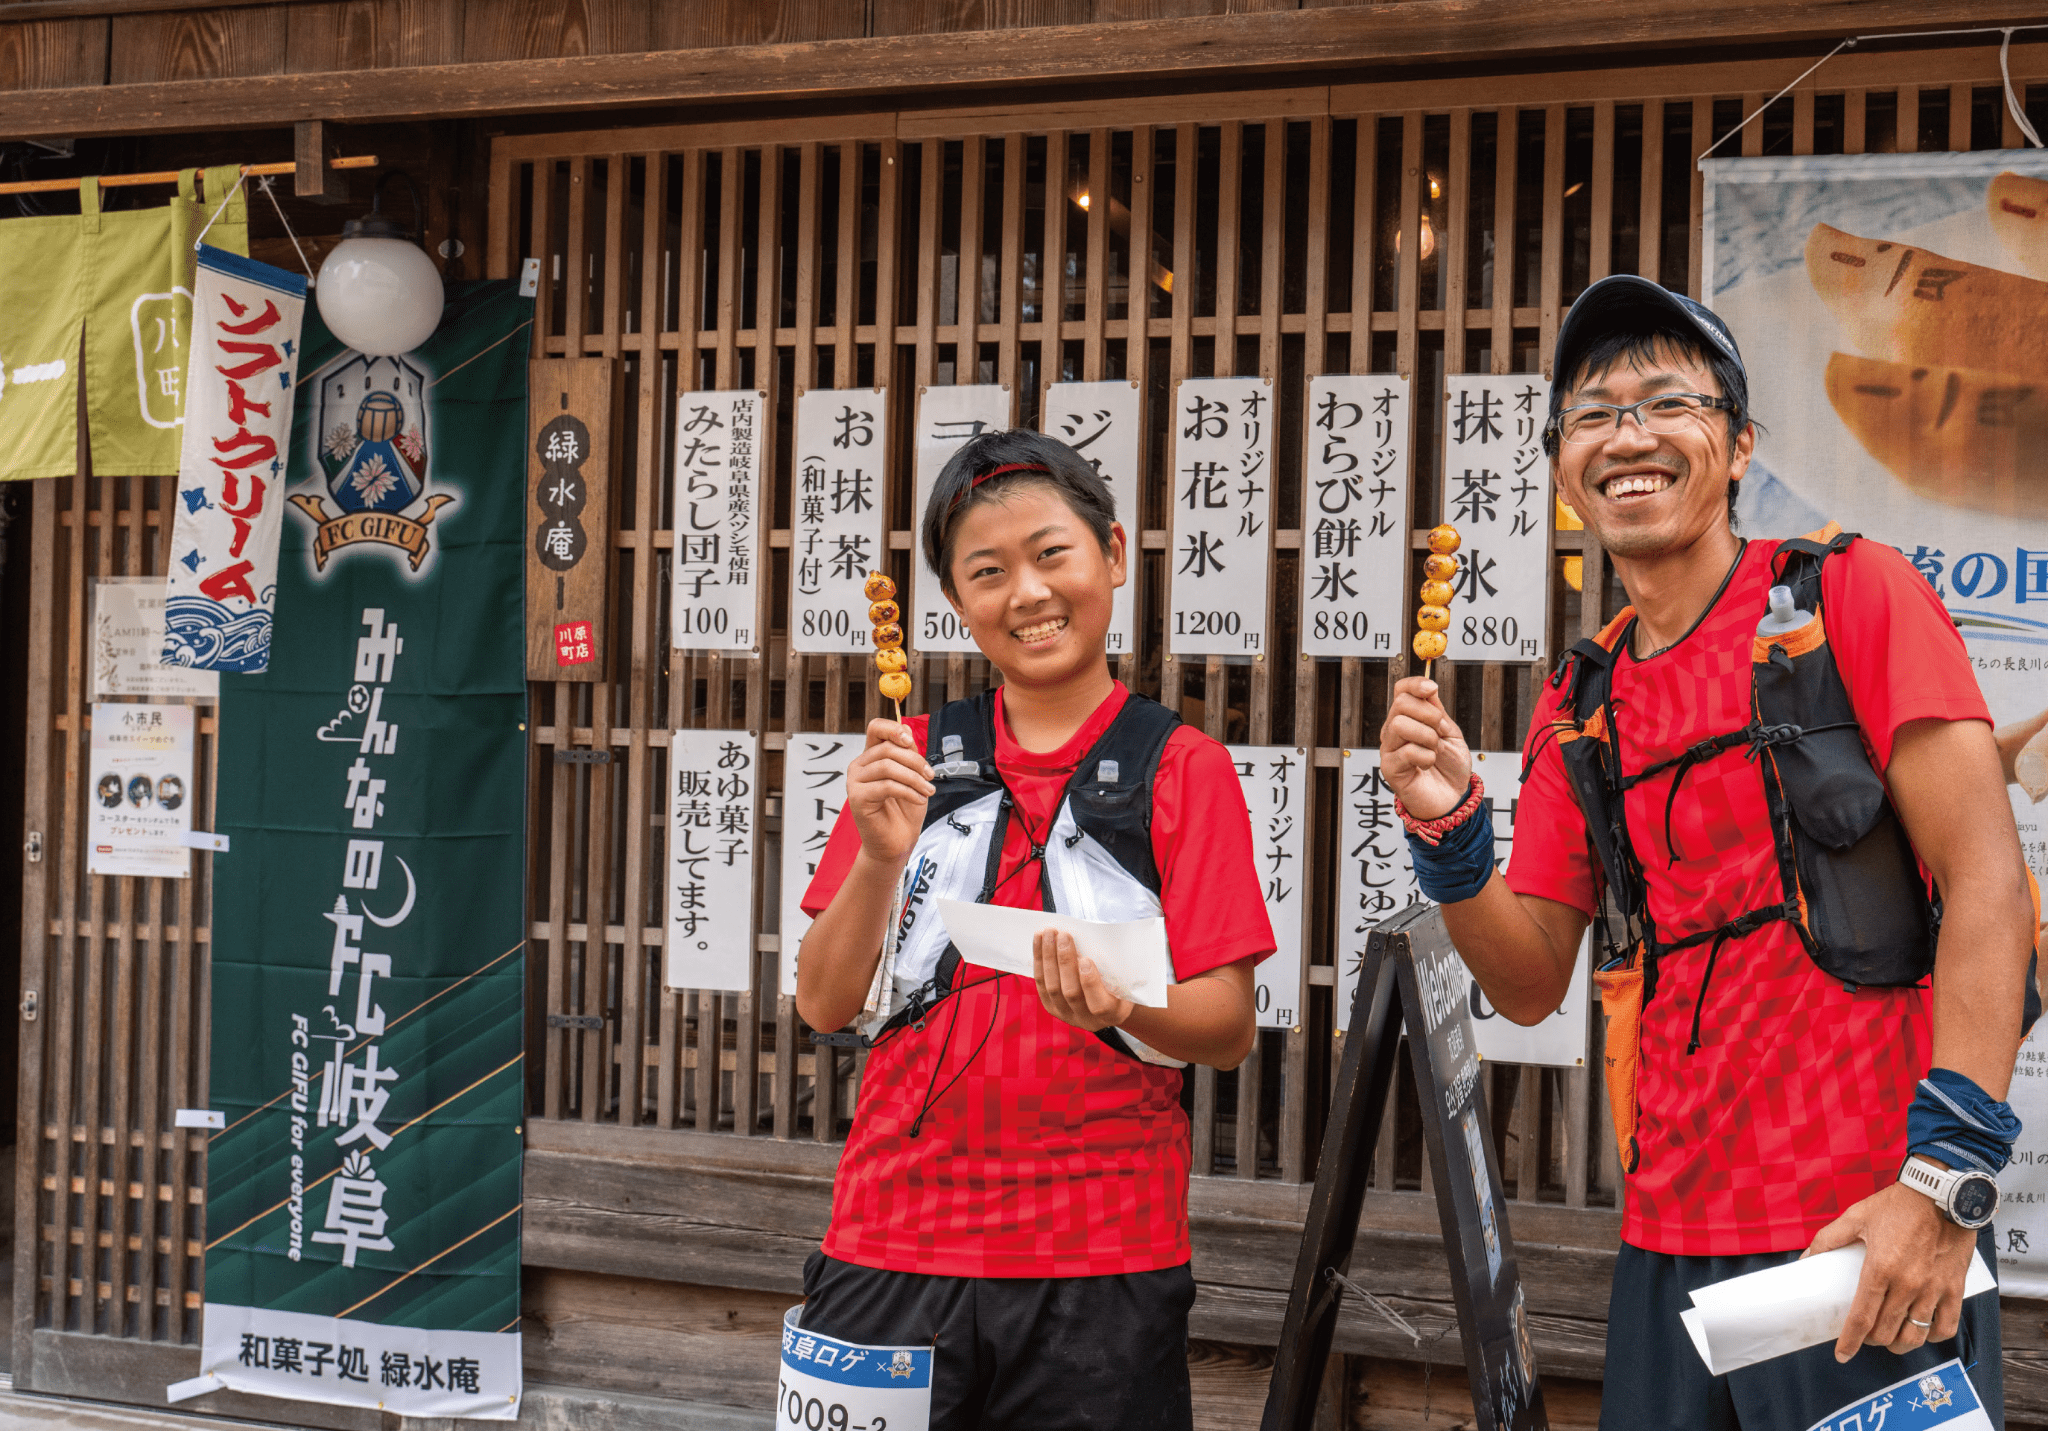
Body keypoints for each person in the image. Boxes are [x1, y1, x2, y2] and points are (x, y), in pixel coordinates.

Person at [1378, 274, 2036, 1429]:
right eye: (1590, 413)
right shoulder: (1578, 704)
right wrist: (1448, 837)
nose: (1625, 435)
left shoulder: (1849, 597)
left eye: (1664, 402)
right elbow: (1528, 983)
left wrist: (1941, 1189)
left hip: (1865, 1235)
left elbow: (1987, 876)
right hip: (1669, 1247)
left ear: (1735, 447)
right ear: (1559, 470)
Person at [793, 428, 1274, 1431]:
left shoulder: (1182, 767)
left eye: (1051, 554)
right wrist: (881, 853)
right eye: (986, 572)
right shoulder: (909, 761)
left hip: (1099, 1260)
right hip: (889, 1239)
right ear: (957, 603)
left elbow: (1227, 1025)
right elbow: (824, 1001)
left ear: (1110, 553)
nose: (1027, 592)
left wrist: (1121, 1001)